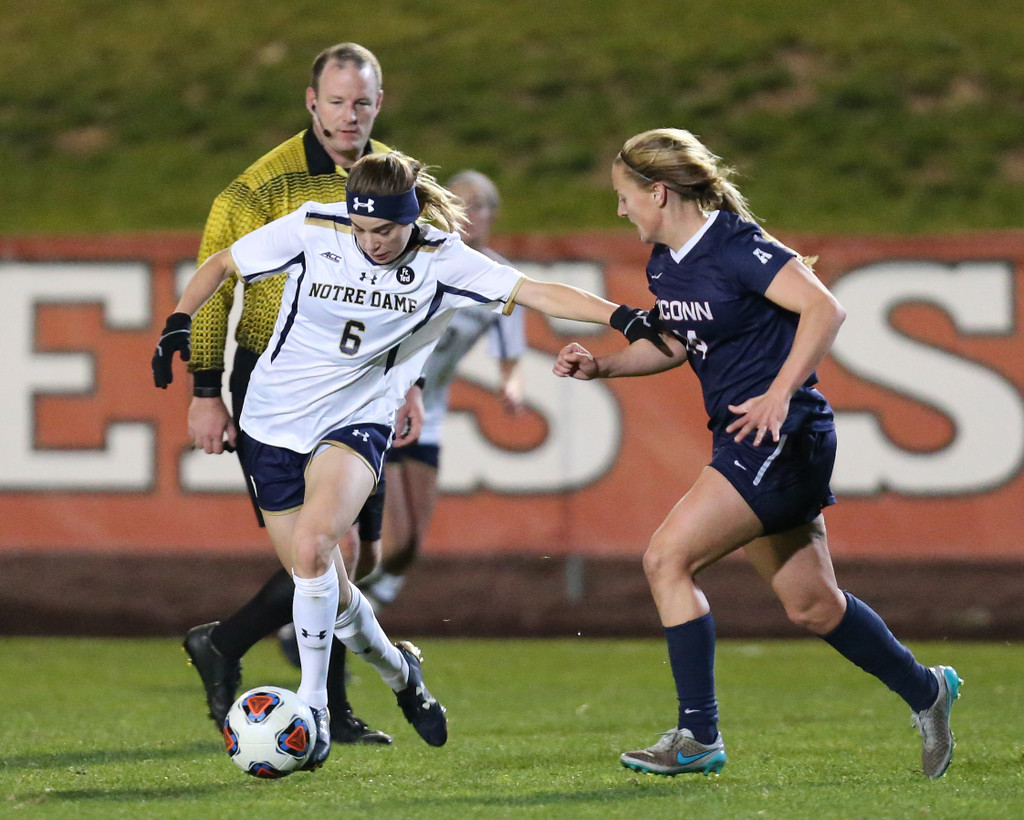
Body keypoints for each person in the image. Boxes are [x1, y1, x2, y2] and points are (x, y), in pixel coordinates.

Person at [152, 149, 660, 770]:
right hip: (270, 423)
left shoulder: (442, 259)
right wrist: (179, 321)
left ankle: (310, 708)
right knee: (332, 592)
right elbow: (225, 262)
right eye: (362, 229)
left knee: (318, 550)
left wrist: (624, 315)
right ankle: (402, 675)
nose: (372, 244)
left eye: (386, 230)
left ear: (412, 215)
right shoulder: (318, 225)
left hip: (357, 422)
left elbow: (534, 290)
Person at [553, 127, 962, 780]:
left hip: (781, 435)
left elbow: (824, 310)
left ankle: (699, 735)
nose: (620, 209)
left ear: (659, 191)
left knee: (666, 558)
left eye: (624, 196)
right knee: (812, 606)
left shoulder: (737, 245)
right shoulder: (666, 260)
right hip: (754, 438)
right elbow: (680, 344)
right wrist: (601, 368)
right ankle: (927, 691)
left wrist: (778, 392)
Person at [180, 42, 418, 746]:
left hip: (366, 385)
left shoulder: (398, 182)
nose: (350, 115)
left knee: (362, 557)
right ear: (311, 102)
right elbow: (215, 284)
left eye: (363, 102)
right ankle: (327, 706)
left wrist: (412, 382)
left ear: (381, 102)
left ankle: (225, 643)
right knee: (326, 550)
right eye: (337, 101)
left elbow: (414, 292)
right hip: (277, 384)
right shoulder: (261, 188)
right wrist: (204, 391)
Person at [360, 169, 526, 610]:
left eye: (484, 205)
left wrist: (511, 384)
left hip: (429, 413)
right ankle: (319, 616)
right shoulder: (418, 257)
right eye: (465, 203)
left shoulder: (499, 276)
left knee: (411, 544)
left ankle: (349, 616)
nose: (475, 214)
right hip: (383, 405)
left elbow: (510, 351)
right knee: (392, 541)